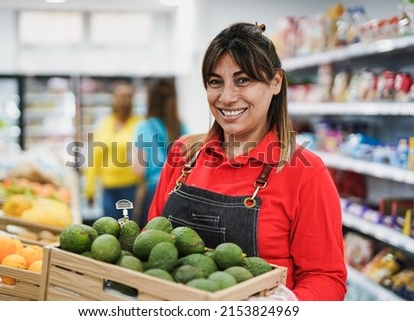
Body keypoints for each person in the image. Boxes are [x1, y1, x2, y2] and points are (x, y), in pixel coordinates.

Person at [148, 22, 347, 300]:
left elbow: (326, 278)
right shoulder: (184, 154)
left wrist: (284, 308)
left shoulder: (306, 173)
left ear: (275, 82)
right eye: (215, 82)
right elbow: (152, 240)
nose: (227, 97)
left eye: (243, 81)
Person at [131, 77, 187, 228]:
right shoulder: (181, 127)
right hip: (178, 197)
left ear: (150, 99)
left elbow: (138, 169)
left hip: (153, 196)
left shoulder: (144, 126)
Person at [84, 81, 142, 220]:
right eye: (121, 96)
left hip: (132, 187)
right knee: (110, 228)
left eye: (128, 96)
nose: (124, 101)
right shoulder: (104, 124)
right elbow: (95, 157)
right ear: (113, 99)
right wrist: (89, 189)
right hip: (108, 188)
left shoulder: (139, 124)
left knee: (130, 229)